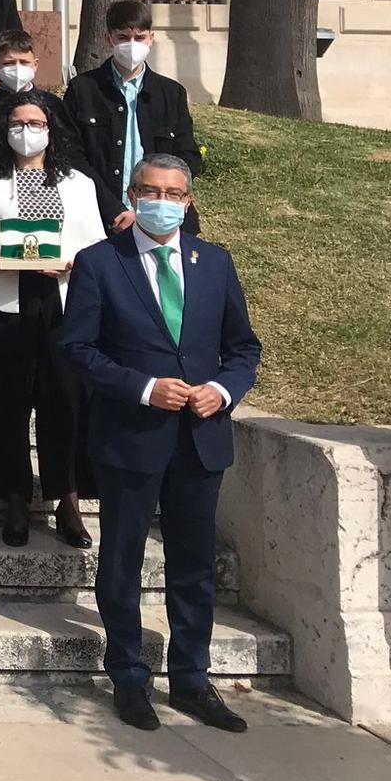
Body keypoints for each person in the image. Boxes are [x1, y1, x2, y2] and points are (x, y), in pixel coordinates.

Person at [60, 154, 261, 736]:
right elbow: (77, 350)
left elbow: (243, 349)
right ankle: (128, 675)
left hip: (200, 441)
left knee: (194, 566)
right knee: (121, 561)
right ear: (131, 194)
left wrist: (222, 392)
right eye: (149, 190)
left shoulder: (215, 264)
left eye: (173, 192)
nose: (161, 200)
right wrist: (146, 389)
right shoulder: (101, 263)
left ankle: (193, 679)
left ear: (188, 200)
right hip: (130, 440)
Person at [0, 91, 106, 549]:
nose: (26, 131)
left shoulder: (79, 182)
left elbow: (96, 243)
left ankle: (68, 498)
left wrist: (73, 264)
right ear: (4, 129)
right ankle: (14, 495)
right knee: (4, 402)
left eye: (36, 123)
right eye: (18, 123)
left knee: (66, 401)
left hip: (61, 301)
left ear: (51, 129)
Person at [63, 0, 203, 232]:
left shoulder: (171, 93)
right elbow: (72, 157)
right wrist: (113, 209)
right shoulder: (83, 89)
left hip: (162, 217)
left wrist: (153, 206)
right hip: (99, 217)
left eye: (139, 38)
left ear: (151, 38)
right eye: (123, 38)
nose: (132, 44)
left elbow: (187, 156)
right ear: (109, 39)